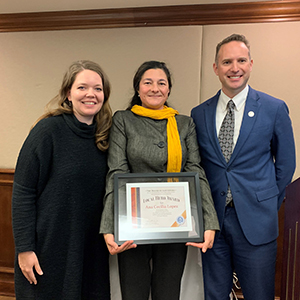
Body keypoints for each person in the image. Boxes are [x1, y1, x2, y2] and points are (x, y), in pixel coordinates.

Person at [100, 60, 219, 300]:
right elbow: (116, 172)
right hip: (133, 224)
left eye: (161, 83)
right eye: (148, 82)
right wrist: (108, 226)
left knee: (168, 293)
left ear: (169, 89)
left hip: (175, 224)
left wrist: (209, 222)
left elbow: (196, 171)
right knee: (133, 293)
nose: (155, 88)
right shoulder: (123, 120)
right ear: (138, 88)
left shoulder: (184, 124)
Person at [191, 34, 296, 299]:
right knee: (214, 293)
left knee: (258, 293)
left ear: (251, 63)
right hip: (212, 222)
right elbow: (198, 166)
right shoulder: (199, 113)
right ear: (216, 68)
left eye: (240, 60)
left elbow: (285, 164)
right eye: (226, 62)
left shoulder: (273, 108)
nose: (234, 68)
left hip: (257, 220)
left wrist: (268, 204)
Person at [12, 60, 112, 300]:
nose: (91, 94)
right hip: (49, 249)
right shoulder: (47, 131)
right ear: (68, 93)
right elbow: (23, 193)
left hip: (92, 251)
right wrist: (25, 249)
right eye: (82, 87)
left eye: (98, 88)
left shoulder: (108, 135)